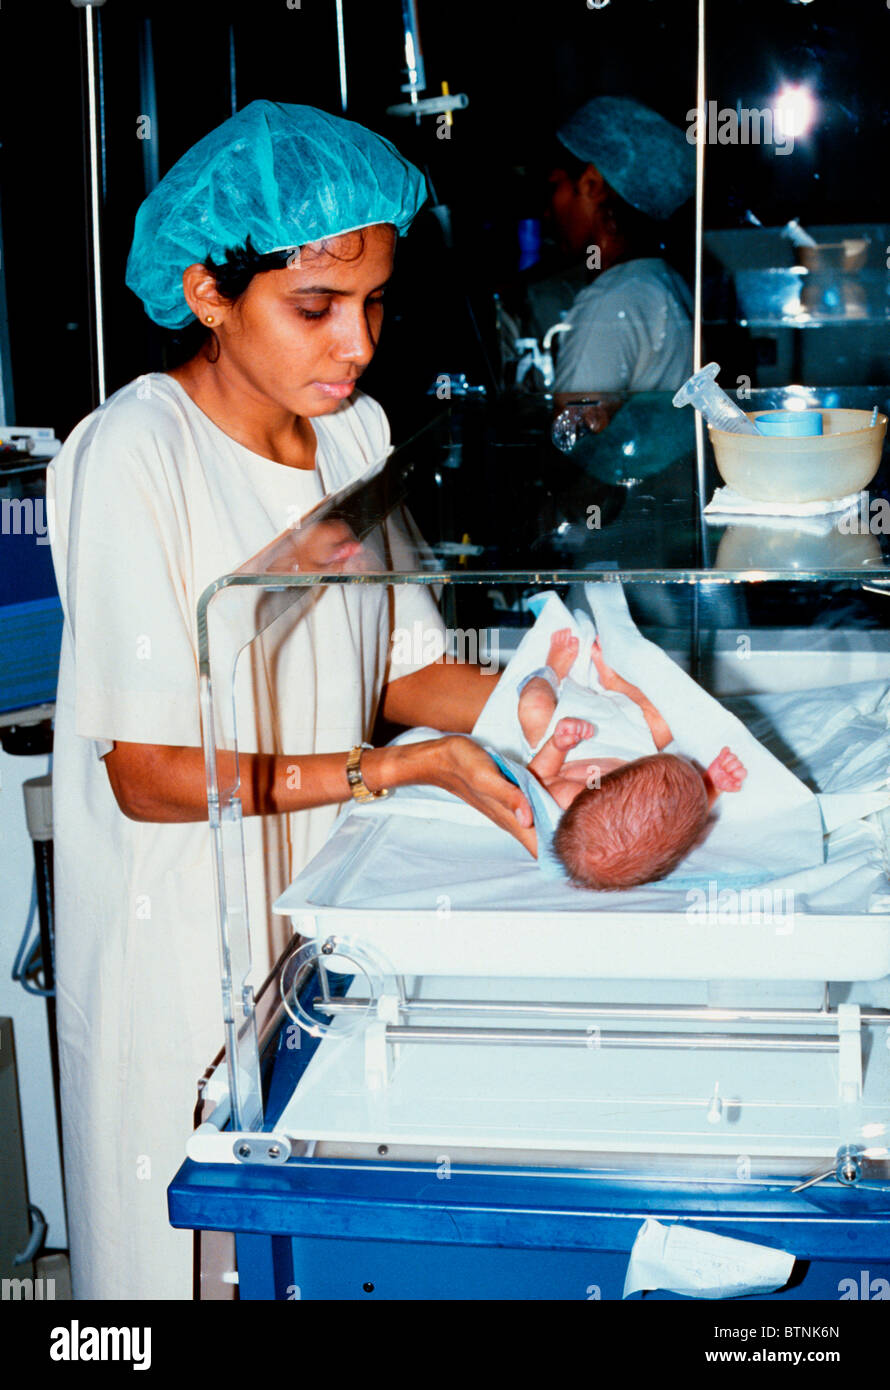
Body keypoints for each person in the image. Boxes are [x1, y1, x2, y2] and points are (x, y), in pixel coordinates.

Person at [47, 100, 533, 1300]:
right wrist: (393, 770)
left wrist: (563, 702)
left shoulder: (353, 431)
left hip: (316, 912)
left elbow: (396, 668)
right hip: (184, 938)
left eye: (373, 305)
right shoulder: (135, 454)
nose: (355, 344)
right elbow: (152, 776)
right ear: (209, 291)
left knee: (309, 1255)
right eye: (314, 308)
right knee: (188, 1266)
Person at [516, 629, 747, 888]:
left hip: (568, 738)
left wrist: (557, 745)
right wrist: (711, 785)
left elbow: (537, 775)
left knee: (533, 706)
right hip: (630, 742)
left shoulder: (568, 797)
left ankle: (552, 671)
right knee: (664, 720)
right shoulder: (656, 819)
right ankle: (616, 682)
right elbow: (685, 819)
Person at [533, 95, 696, 395]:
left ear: (592, 184)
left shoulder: (610, 304)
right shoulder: (662, 282)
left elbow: (571, 433)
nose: (547, 211)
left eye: (556, 186)